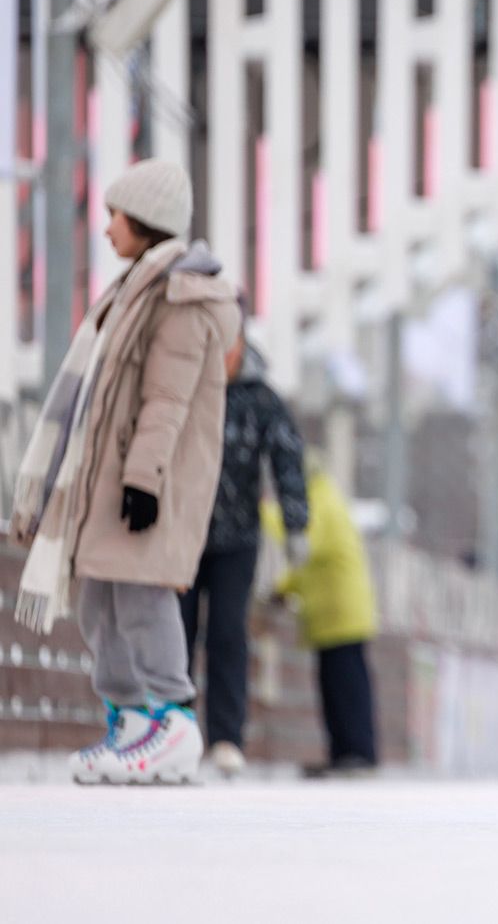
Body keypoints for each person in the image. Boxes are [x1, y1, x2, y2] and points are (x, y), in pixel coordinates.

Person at [7, 159, 239, 785]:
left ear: (146, 220)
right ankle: (133, 720)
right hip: (106, 480)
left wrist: (144, 480)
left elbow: (167, 400)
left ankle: (174, 719)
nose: (107, 227)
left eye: (116, 215)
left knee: (141, 598)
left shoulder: (181, 299)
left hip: (142, 481)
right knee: (99, 602)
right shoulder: (131, 291)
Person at [180, 327, 308, 777]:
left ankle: (226, 737)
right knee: (177, 631)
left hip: (237, 540)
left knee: (228, 633)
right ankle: (175, 728)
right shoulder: (185, 385)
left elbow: (288, 458)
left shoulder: (260, 400)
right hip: (184, 534)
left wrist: (296, 524)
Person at [264, 456, 379, 777]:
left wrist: (262, 511)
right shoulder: (325, 495)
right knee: (336, 687)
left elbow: (305, 542)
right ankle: (344, 753)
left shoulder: (320, 499)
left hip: (340, 613)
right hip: (336, 614)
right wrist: (284, 588)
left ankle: (357, 752)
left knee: (346, 687)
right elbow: (306, 564)